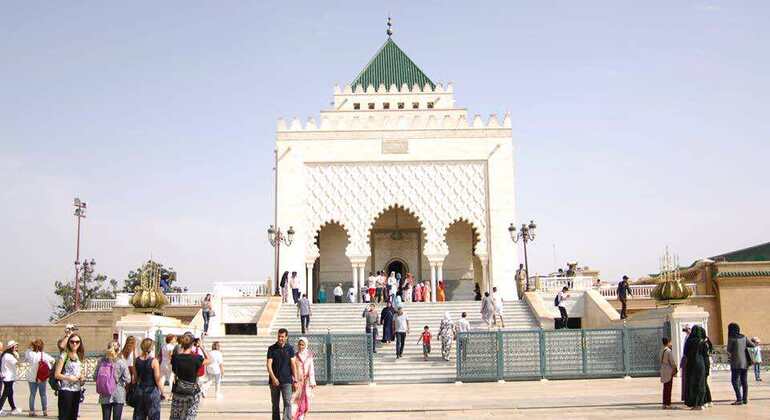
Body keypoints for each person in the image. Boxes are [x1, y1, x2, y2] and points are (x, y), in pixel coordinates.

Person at [170, 334, 209, 420]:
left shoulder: (176, 358)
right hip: (192, 391)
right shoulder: (196, 358)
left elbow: (174, 367)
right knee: (190, 416)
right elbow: (209, 360)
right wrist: (201, 347)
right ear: (192, 344)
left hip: (179, 390)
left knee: (176, 416)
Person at [93, 341, 130, 420]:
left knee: (105, 418)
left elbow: (94, 377)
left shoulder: (101, 362)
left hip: (105, 394)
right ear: (118, 350)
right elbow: (128, 379)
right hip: (118, 393)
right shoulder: (121, 362)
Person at [266, 328, 297, 420]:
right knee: (275, 404)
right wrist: (273, 378)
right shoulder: (271, 348)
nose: (280, 338)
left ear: (286, 337)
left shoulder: (290, 348)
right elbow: (268, 364)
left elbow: (293, 364)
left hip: (287, 380)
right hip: (274, 381)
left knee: (287, 402)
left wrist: (295, 380)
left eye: (282, 337)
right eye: (279, 336)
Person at [55, 333, 85, 420]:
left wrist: (82, 378)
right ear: (69, 343)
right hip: (66, 390)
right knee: (64, 416)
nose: (74, 344)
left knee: (73, 416)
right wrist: (69, 378)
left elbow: (81, 371)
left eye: (77, 342)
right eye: (72, 342)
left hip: (77, 390)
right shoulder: (64, 355)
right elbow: (57, 374)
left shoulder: (80, 356)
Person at [132, 338, 163, 420]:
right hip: (152, 391)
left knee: (139, 416)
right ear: (151, 348)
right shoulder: (154, 361)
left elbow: (134, 378)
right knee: (153, 416)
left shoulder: (136, 360)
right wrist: (162, 392)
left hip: (140, 391)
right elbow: (157, 379)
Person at [25, 339, 55, 417]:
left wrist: (30, 346)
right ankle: (44, 411)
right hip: (41, 378)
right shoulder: (43, 355)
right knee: (43, 395)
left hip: (31, 377)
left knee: (32, 394)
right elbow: (53, 360)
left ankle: (31, 411)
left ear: (33, 346)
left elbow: (26, 354)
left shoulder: (29, 353)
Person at [683, 325, 711, 410]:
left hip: (691, 365)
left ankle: (694, 403)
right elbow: (706, 356)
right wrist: (707, 367)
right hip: (701, 365)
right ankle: (700, 403)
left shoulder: (689, 341)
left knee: (692, 384)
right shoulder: (702, 342)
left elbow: (685, 353)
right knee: (700, 383)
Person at [727, 322, 754, 405]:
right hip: (745, 363)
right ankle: (745, 399)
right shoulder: (744, 337)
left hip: (735, 363)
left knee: (734, 381)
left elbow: (729, 349)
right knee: (744, 381)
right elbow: (752, 345)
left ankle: (739, 399)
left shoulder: (731, 338)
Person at [292, 337, 316, 420]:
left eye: (303, 345)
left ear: (306, 345)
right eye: (299, 344)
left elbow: (311, 369)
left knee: (306, 399)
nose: (301, 346)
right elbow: (293, 368)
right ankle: (295, 416)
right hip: (298, 381)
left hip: (306, 382)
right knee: (296, 399)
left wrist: (312, 381)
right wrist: (294, 380)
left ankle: (302, 416)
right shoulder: (295, 356)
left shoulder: (309, 356)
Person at [0, 340, 22, 416]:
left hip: (7, 377)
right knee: (5, 394)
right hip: (8, 377)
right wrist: (17, 357)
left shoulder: (5, 354)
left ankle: (13, 408)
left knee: (10, 393)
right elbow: (17, 364)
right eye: (15, 346)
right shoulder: (8, 356)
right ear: (11, 347)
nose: (16, 347)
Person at [660, 337, 677, 409]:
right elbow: (672, 362)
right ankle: (668, 403)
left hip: (663, 369)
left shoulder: (661, 350)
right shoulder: (668, 351)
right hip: (668, 370)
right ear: (668, 342)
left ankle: (664, 403)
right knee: (669, 387)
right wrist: (675, 368)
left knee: (665, 387)